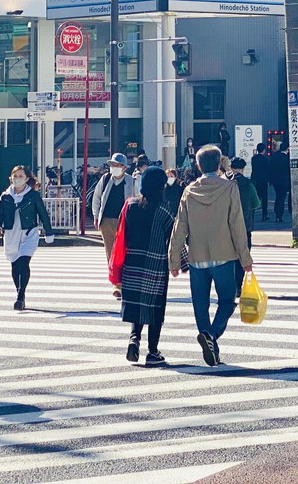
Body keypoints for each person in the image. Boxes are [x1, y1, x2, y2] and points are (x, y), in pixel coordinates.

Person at [168, 145, 252, 366]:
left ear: (198, 165)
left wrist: (174, 259)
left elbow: (180, 227)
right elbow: (237, 224)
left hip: (196, 256)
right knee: (227, 300)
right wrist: (245, 258)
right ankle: (212, 335)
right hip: (224, 254)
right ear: (220, 164)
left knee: (200, 303)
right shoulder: (229, 188)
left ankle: (209, 340)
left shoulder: (189, 190)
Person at [112, 166, 174, 367]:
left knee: (137, 305)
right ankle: (153, 351)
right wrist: (182, 263)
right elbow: (174, 239)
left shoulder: (130, 205)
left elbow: (122, 234)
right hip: (155, 264)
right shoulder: (165, 211)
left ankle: (133, 339)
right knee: (154, 308)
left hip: (132, 262)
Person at [0, 166, 55, 311]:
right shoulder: (6, 195)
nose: (17, 179)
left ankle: (20, 297)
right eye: (15, 176)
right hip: (11, 233)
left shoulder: (32, 195)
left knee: (23, 261)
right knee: (15, 265)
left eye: (20, 176)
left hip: (29, 232)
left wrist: (49, 231)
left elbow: (42, 213)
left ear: (27, 178)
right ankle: (19, 292)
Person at [93, 153, 137, 298]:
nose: (114, 168)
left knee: (124, 252)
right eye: (113, 165)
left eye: (118, 165)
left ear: (124, 167)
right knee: (110, 254)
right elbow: (97, 198)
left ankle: (126, 282)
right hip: (106, 220)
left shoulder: (131, 181)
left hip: (125, 222)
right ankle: (116, 284)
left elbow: (137, 199)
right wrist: (95, 216)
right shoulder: (105, 179)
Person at [268, 141, 291, 222]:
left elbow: (270, 168)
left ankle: (277, 213)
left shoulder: (274, 156)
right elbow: (288, 170)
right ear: (287, 149)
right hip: (283, 181)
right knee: (281, 198)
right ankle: (279, 215)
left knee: (278, 197)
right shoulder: (286, 158)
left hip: (275, 181)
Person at [250, 143, 272, 221]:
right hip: (263, 180)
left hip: (255, 180)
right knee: (264, 198)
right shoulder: (265, 159)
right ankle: (264, 214)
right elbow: (268, 170)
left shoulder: (253, 158)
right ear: (263, 150)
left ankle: (252, 214)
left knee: (255, 196)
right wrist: (269, 180)